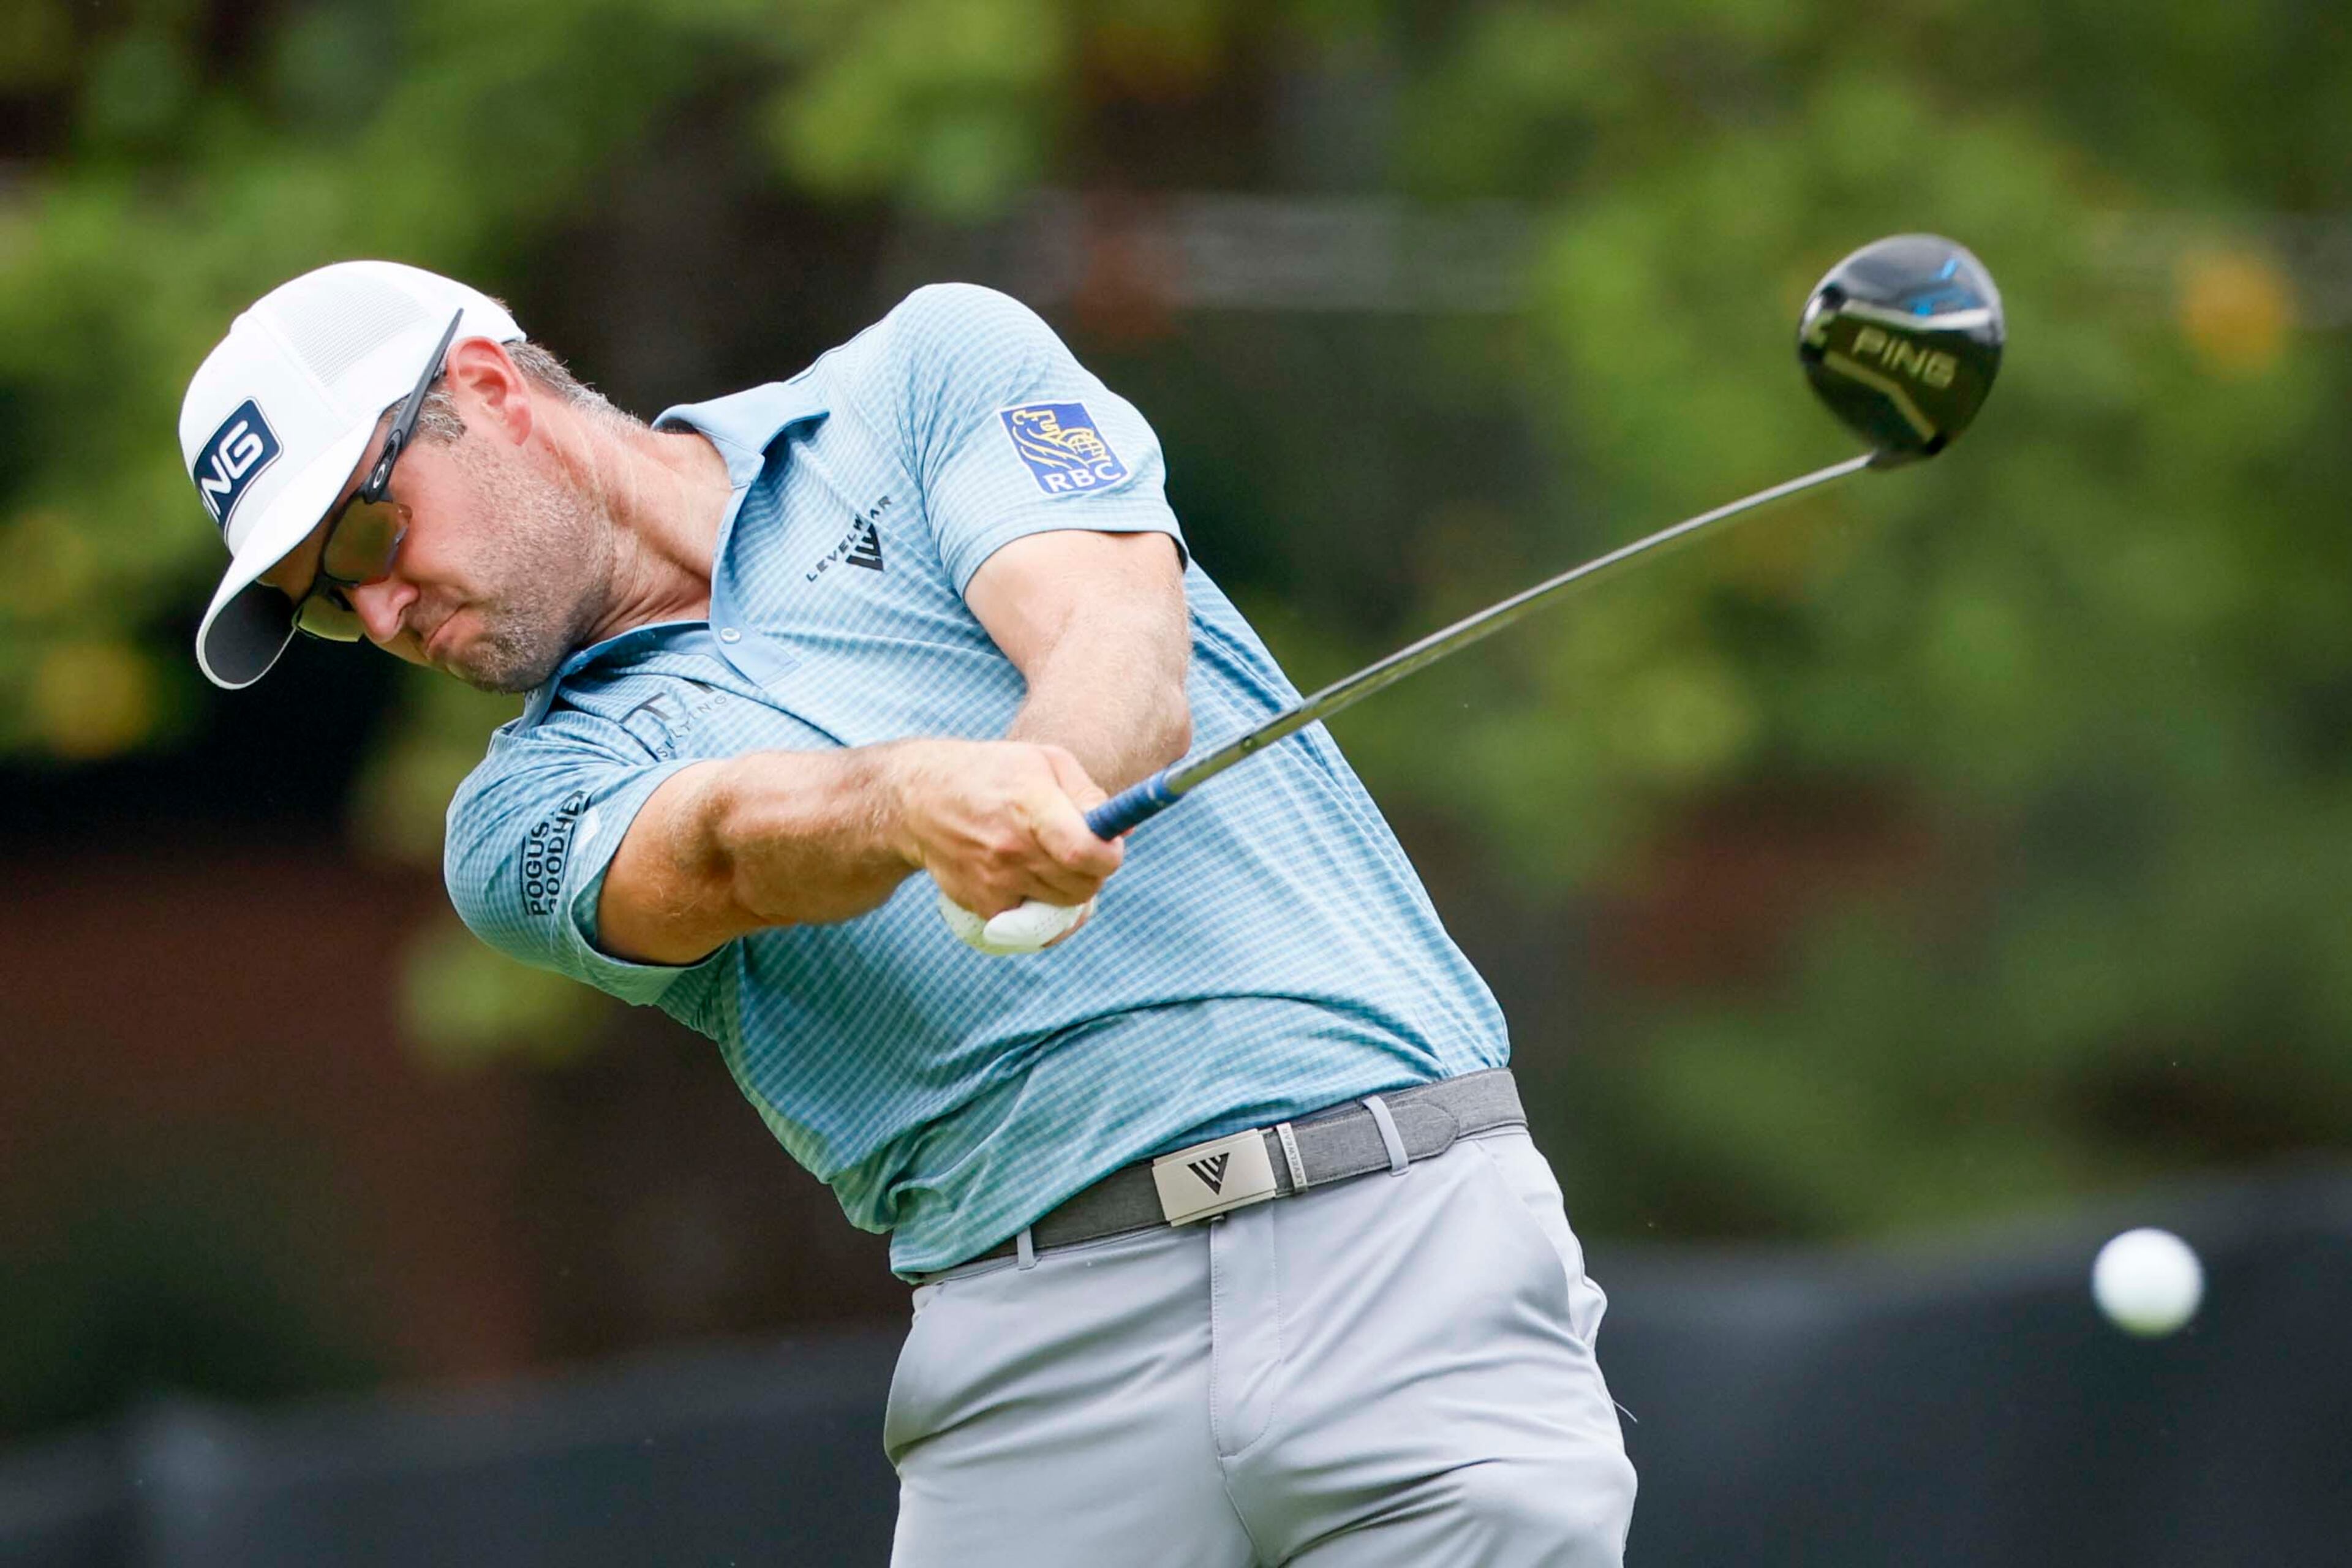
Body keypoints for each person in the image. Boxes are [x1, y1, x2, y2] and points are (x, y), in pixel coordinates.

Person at [178, 260, 1637, 1565]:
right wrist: (910, 803)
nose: (377, 616)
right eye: (319, 604)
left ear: (486, 389)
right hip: (1038, 1358)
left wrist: (1040, 781)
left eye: (363, 540)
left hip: (1399, 1240)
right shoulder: (514, 819)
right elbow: (726, 850)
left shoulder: (929, 373)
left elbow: (1113, 629)